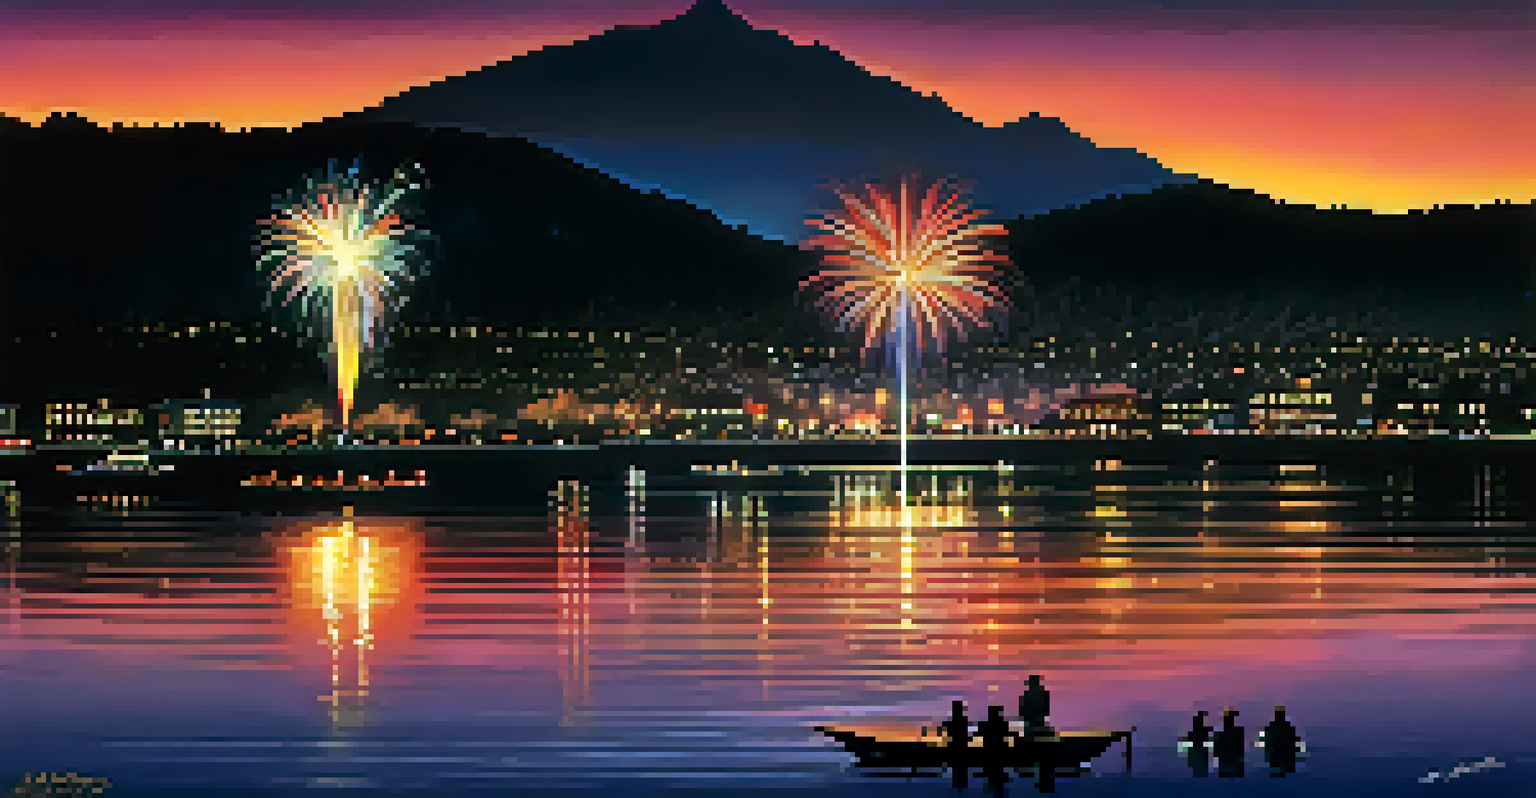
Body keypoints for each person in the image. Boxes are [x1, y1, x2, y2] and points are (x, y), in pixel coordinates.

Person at [1260, 706, 1300, 776]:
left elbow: (1264, 742)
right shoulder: (1288, 727)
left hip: (1279, 759)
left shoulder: (1272, 727)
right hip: (1282, 759)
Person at [1213, 708, 1245, 778]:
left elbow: (1216, 752)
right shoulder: (1238, 732)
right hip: (1233, 765)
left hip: (1227, 765)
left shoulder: (1219, 734)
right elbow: (1241, 750)